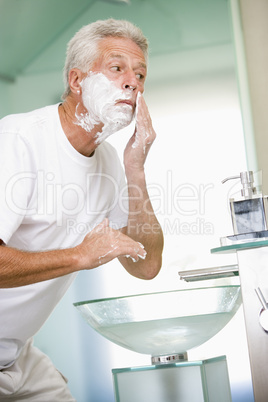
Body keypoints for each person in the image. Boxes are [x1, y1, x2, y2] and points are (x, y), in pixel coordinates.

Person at [0, 18, 163, 401]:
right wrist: (79, 256)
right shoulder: (17, 141)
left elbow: (146, 265)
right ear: (76, 81)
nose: (133, 83)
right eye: (117, 68)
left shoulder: (109, 163)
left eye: (140, 75)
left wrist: (135, 169)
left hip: (18, 356)